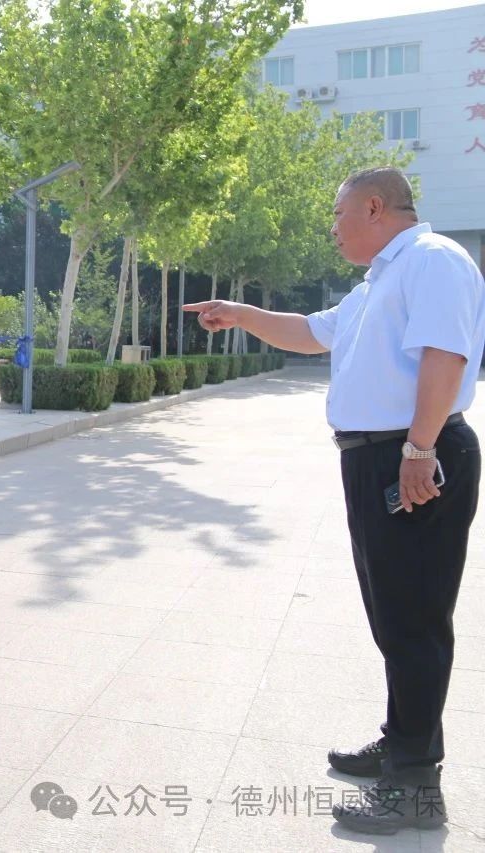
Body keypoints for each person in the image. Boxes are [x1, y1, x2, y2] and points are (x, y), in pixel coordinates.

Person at [184, 166, 485, 835]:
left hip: (415, 455)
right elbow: (311, 331)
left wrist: (419, 449)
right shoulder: (379, 280)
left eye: (338, 213)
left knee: (414, 620)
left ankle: (415, 786)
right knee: (395, 615)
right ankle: (402, 742)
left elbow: (446, 357)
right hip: (378, 456)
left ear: (375, 207)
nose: (332, 227)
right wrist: (240, 314)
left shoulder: (433, 260)